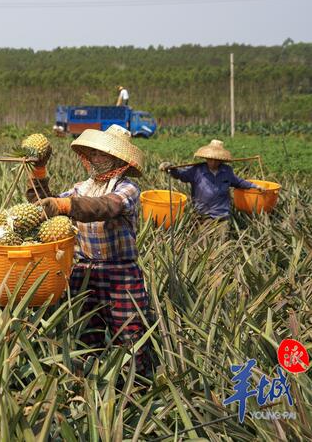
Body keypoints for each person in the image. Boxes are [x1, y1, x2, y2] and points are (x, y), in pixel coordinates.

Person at [29, 124, 151, 376]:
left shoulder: (126, 189)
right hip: (83, 273)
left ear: (119, 159)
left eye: (103, 154)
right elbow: (44, 205)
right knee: (87, 336)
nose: (97, 158)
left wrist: (63, 204)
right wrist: (39, 171)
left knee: (129, 335)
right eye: (94, 153)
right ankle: (91, 388)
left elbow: (106, 207)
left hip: (121, 274)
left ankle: (135, 388)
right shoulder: (80, 188)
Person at [159, 140, 263, 228]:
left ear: (221, 160)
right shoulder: (197, 170)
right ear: (206, 158)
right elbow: (181, 174)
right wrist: (170, 168)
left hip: (222, 214)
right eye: (210, 159)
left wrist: (254, 186)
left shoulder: (227, 171)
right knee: (204, 242)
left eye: (216, 160)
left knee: (221, 241)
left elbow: (238, 182)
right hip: (203, 214)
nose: (213, 162)